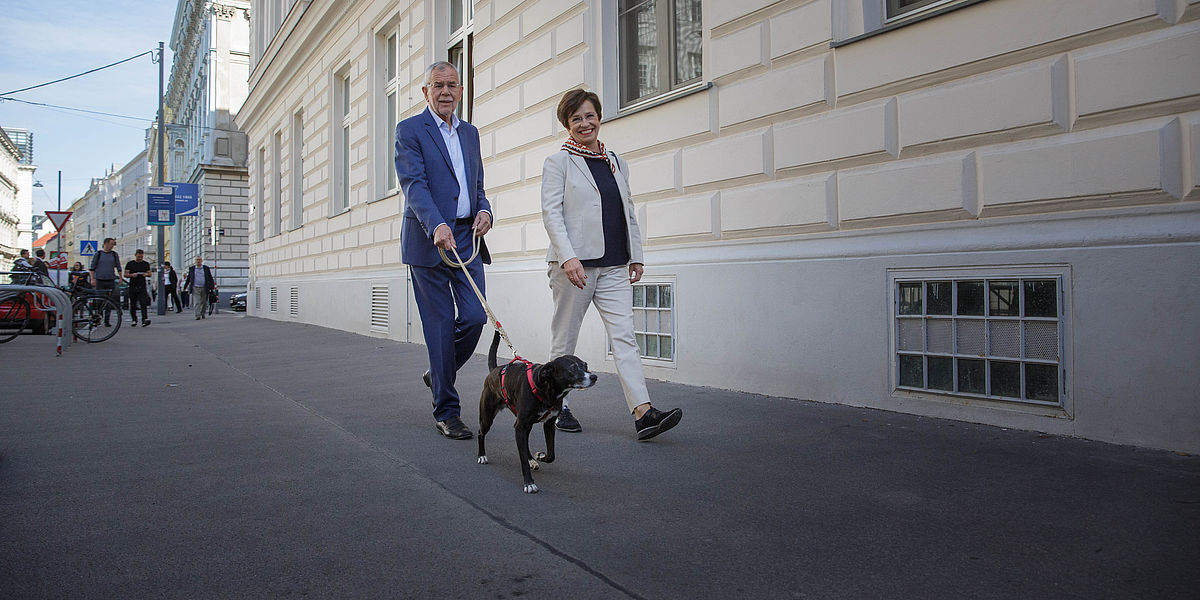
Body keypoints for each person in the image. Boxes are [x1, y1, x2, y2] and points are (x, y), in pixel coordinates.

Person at [540, 89, 682, 441]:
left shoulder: (615, 160)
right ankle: (557, 406)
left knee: (625, 339)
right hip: (575, 267)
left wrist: (636, 254)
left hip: (615, 264)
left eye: (590, 116)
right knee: (565, 339)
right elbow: (551, 213)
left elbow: (626, 209)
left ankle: (643, 413)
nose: (585, 123)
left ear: (599, 117)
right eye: (576, 119)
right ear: (567, 125)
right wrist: (568, 256)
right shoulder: (558, 163)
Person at [395, 61, 493, 441]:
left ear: (461, 90)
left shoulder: (470, 134)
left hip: (467, 239)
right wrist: (435, 224)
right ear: (426, 92)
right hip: (428, 242)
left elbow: (478, 185)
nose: (446, 92)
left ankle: (438, 372)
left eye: (453, 85)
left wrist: (485, 211)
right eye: (438, 85)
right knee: (438, 329)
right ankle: (447, 411)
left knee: (474, 317)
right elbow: (414, 185)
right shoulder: (409, 130)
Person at [88, 238, 123, 326]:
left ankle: (107, 320)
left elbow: (118, 267)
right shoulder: (99, 254)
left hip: (110, 279)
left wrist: (120, 278)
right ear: (106, 244)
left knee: (109, 301)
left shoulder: (114, 255)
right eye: (111, 244)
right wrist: (92, 279)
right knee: (99, 300)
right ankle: (99, 318)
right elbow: (92, 268)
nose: (112, 246)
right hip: (100, 280)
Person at [123, 249, 152, 327]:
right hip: (133, 285)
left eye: (141, 257)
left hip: (142, 286)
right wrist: (132, 275)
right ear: (135, 255)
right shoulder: (130, 264)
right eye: (138, 256)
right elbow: (125, 274)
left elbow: (149, 274)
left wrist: (145, 274)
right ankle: (134, 320)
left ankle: (144, 319)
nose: (140, 258)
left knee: (143, 303)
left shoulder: (146, 264)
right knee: (133, 304)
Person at [182, 255, 215, 320]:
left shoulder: (206, 268)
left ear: (201, 261)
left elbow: (210, 278)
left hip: (204, 288)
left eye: (199, 260)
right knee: (196, 302)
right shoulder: (192, 269)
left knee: (204, 302)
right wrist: (185, 287)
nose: (198, 261)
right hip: (195, 287)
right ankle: (197, 315)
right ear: (195, 261)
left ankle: (202, 313)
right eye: (197, 260)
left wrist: (212, 287)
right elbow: (189, 278)